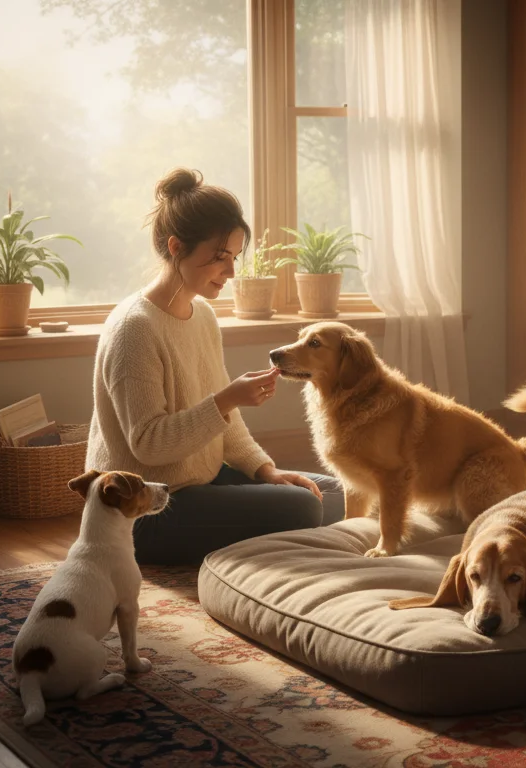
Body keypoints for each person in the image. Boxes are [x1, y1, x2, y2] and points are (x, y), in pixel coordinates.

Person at [85, 167, 345, 565]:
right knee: (303, 508)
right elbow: (149, 444)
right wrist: (224, 400)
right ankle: (256, 546)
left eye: (235, 257)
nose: (231, 271)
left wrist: (265, 471)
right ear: (176, 247)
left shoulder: (202, 315)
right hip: (144, 510)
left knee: (333, 493)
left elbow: (228, 427)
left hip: (199, 483)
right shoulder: (133, 329)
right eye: (220, 257)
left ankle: (254, 541)